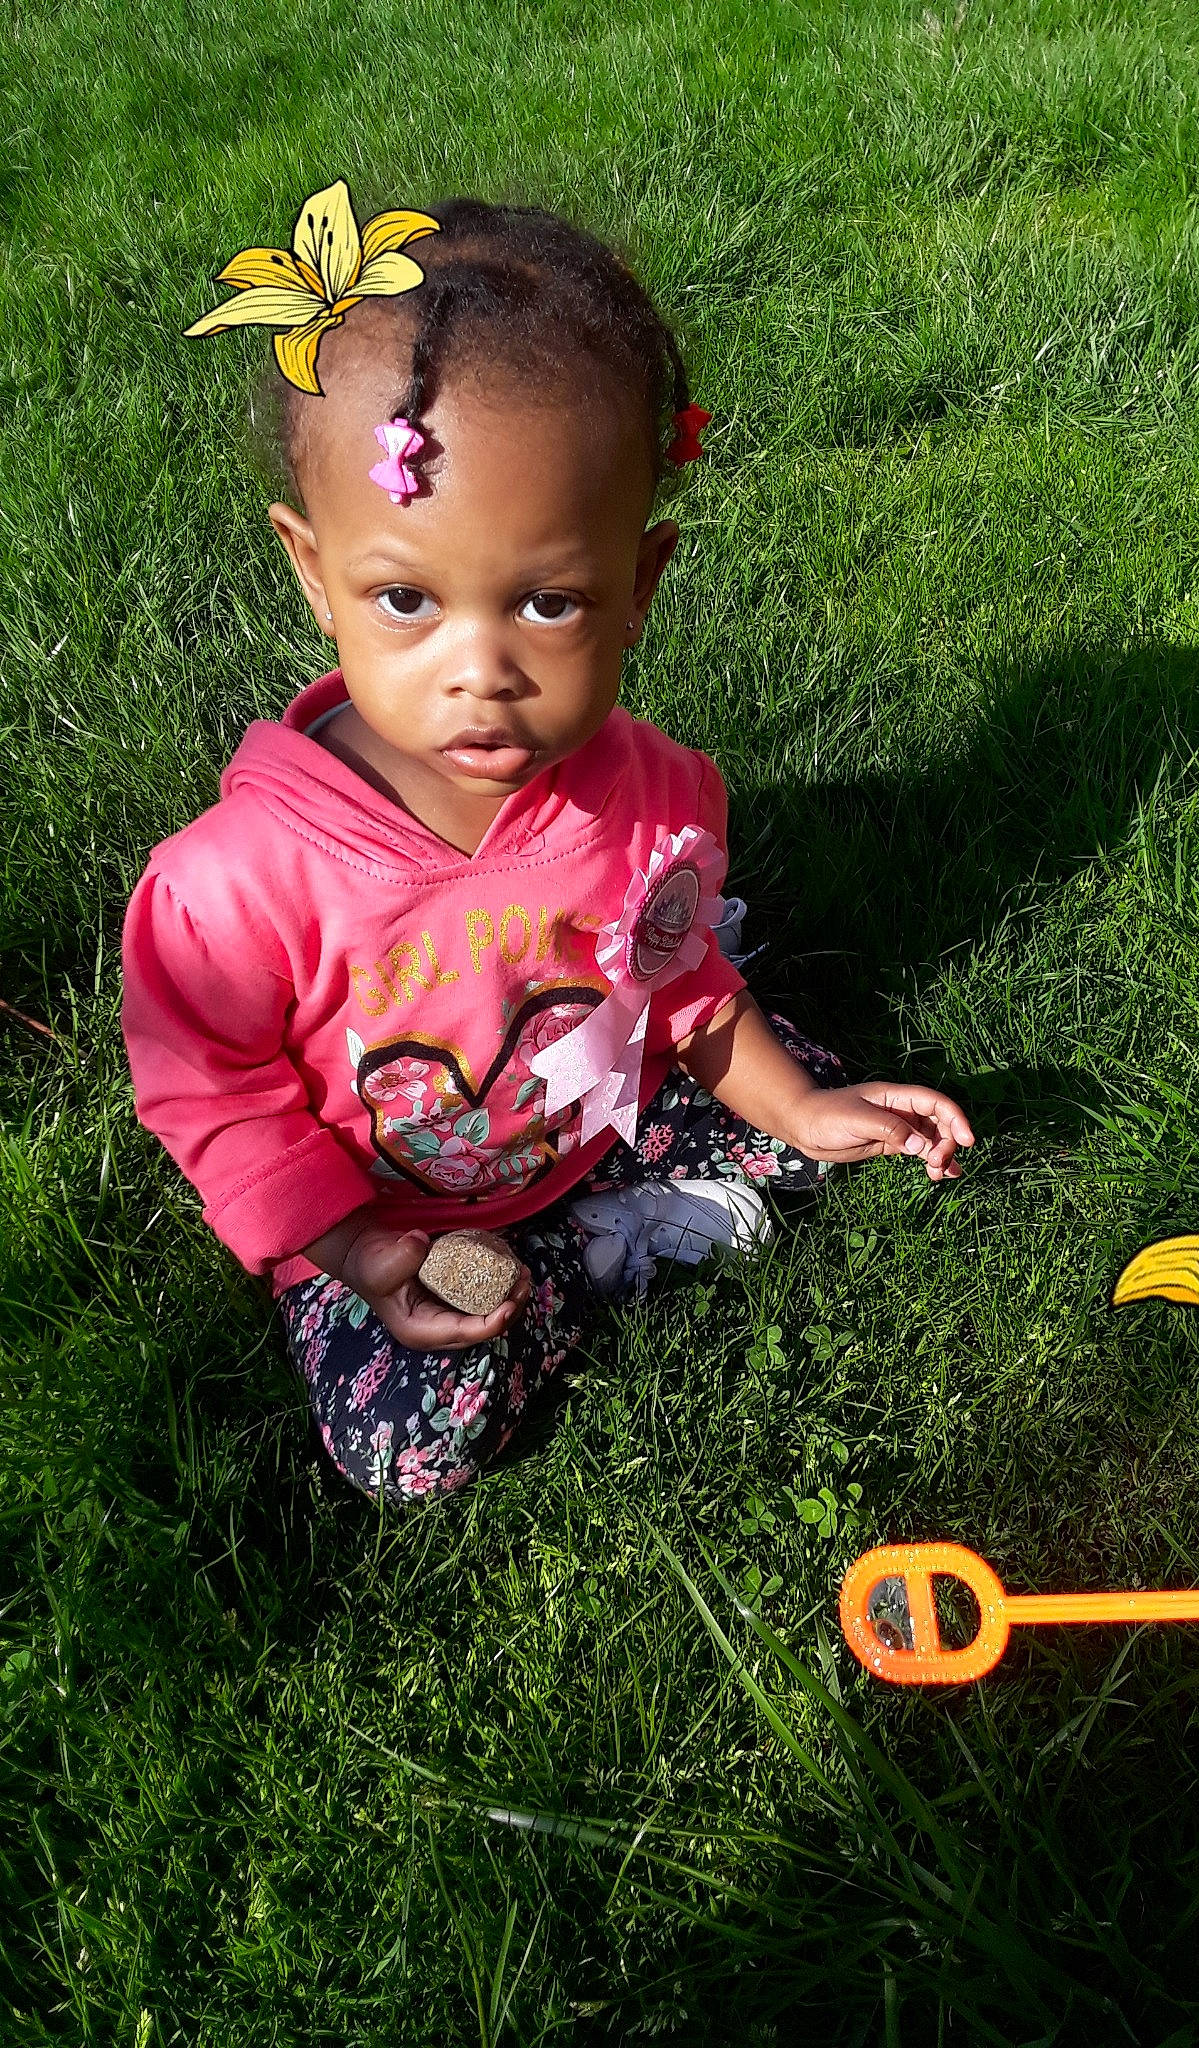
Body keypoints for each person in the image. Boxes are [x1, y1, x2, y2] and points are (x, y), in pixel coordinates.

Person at [121, 186, 974, 1503]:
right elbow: (216, 1090)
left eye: (548, 603)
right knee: (410, 1446)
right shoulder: (234, 885)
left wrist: (801, 1109)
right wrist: (349, 1248)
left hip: (593, 1108)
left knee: (825, 1124)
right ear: (312, 571)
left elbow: (678, 985)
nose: (482, 672)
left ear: (640, 585)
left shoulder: (655, 796)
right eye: (406, 598)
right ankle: (587, 1256)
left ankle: (597, 1230)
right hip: (385, 1211)